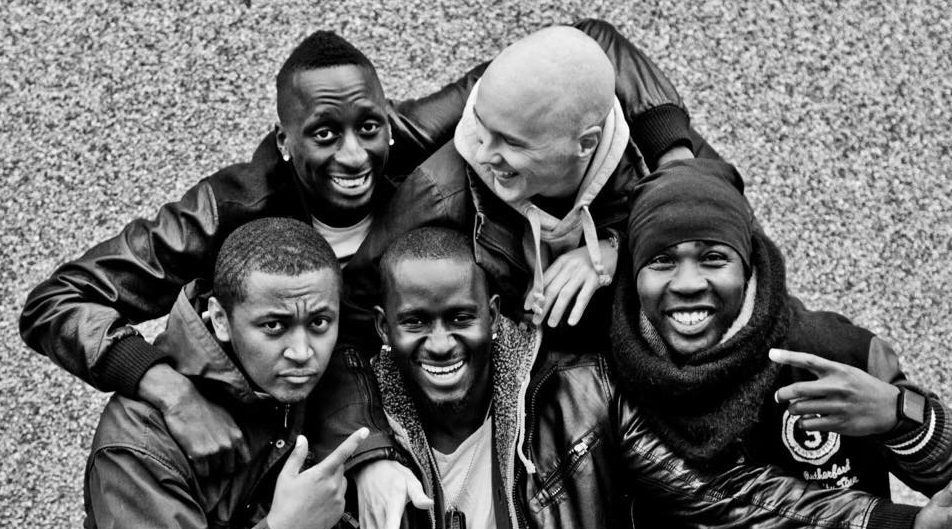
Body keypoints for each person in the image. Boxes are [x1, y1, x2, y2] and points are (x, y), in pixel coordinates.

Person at [20, 21, 702, 480]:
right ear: (284, 139)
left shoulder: (422, 143)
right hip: (264, 445)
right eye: (324, 134)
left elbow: (591, 42)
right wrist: (164, 387)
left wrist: (672, 174)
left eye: (368, 127)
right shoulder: (228, 209)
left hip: (441, 427)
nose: (354, 156)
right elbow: (57, 301)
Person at [371, 225, 952, 529]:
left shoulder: (582, 395)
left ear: (493, 315)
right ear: (382, 327)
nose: (441, 343)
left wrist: (900, 523)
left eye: (461, 318)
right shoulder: (357, 423)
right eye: (416, 322)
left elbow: (725, 497)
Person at [609, 158, 952, 525]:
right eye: (661, 260)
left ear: (747, 266)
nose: (688, 283)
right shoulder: (612, 377)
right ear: (634, 274)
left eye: (713, 257)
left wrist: (901, 417)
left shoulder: (830, 351)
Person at [345, 24, 716, 348]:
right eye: (482, 126)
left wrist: (621, 247)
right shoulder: (440, 192)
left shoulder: (652, 156)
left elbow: (726, 244)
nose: (484, 153)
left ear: (585, 144)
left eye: (512, 143)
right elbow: (355, 307)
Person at [84, 217, 371, 528]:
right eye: (274, 325)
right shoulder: (139, 445)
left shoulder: (318, 377)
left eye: (318, 323)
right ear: (220, 319)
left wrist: (377, 462)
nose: (302, 353)